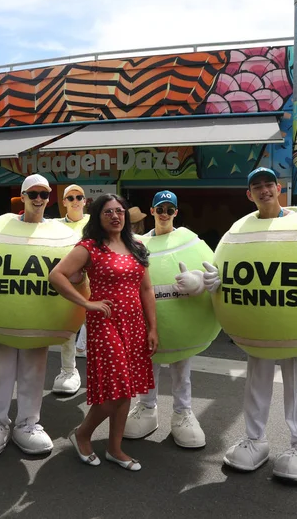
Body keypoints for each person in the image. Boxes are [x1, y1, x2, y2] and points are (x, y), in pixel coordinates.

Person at [202, 167, 297, 482]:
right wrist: (215, 280)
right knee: (256, 383)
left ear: (278, 188)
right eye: (256, 186)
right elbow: (228, 267)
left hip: (296, 322)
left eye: (268, 184)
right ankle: (255, 439)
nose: (264, 190)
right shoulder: (241, 229)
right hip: (258, 323)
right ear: (249, 194)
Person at [49, 193, 158, 471]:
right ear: (98, 216)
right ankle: (83, 433)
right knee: (115, 389)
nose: (115, 216)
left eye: (119, 211)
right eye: (108, 212)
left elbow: (146, 289)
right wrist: (86, 303)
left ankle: (114, 448)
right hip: (105, 323)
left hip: (134, 324)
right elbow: (57, 275)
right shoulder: (90, 247)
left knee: (126, 390)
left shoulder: (136, 245)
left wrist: (152, 327)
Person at [0, 174, 56, 456]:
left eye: (44, 194)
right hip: (3, 318)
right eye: (34, 194)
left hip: (40, 318)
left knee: (34, 371)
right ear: (23, 196)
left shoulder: (58, 232)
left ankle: (28, 423)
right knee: (1, 370)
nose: (39, 199)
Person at [124, 190, 207, 447]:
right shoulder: (137, 245)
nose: (164, 214)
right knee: (148, 367)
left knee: (182, 371)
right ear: (152, 211)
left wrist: (199, 282)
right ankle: (147, 407)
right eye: (160, 209)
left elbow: (213, 273)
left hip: (181, 326)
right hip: (147, 325)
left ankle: (183, 412)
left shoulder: (190, 242)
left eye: (170, 210)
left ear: (176, 213)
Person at [52, 184, 89, 394]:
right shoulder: (54, 226)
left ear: (85, 200)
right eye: (71, 197)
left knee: (100, 331)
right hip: (67, 286)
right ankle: (68, 370)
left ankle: (103, 373)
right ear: (64, 202)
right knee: (67, 331)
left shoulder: (95, 222)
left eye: (79, 197)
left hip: (95, 287)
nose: (75, 201)